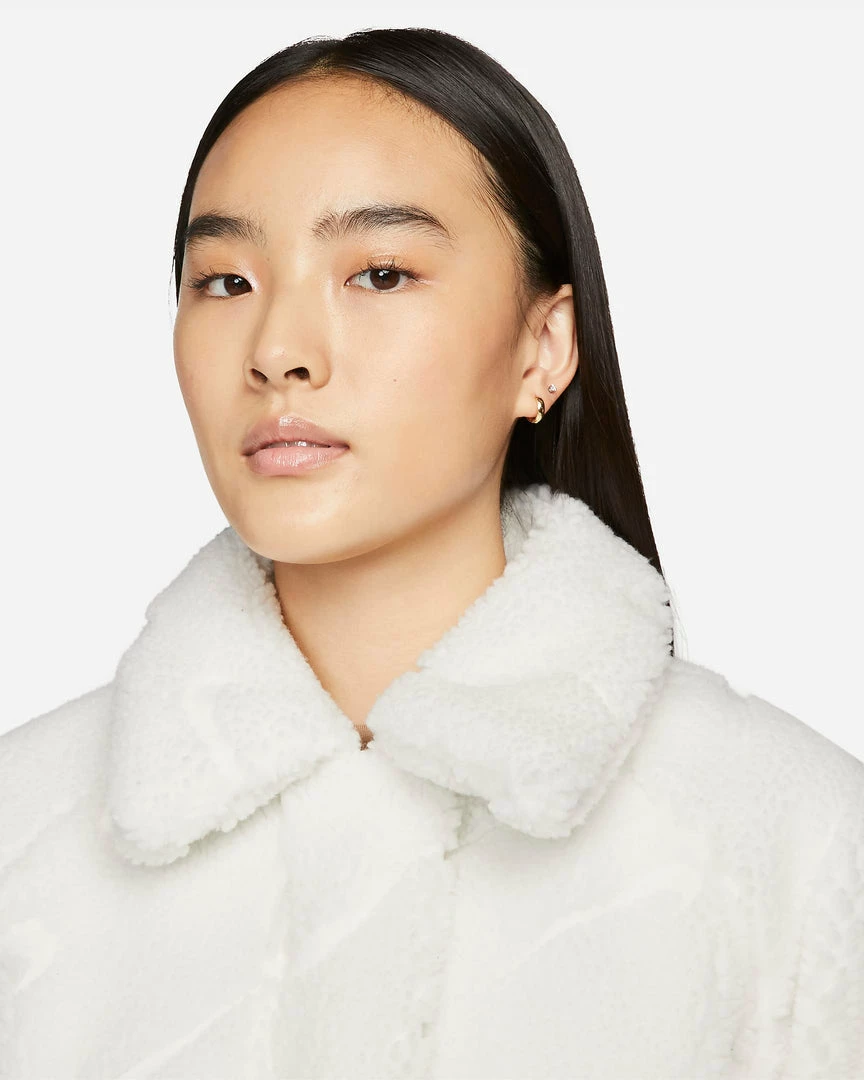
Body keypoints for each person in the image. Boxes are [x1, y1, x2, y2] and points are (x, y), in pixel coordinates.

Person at [1, 25, 862, 1080]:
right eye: (224, 282)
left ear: (544, 347)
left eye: (379, 273)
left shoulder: (795, 848)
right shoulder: (24, 842)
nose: (278, 352)